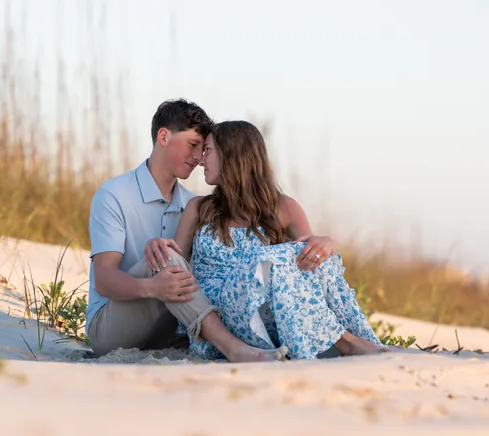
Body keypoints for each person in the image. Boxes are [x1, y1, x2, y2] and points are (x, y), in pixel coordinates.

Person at [145, 120, 386, 360]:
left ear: (232, 155)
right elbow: (176, 259)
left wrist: (325, 243)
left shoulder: (285, 207)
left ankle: (353, 339)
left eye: (208, 150)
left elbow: (306, 271)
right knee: (264, 259)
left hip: (265, 319)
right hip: (217, 319)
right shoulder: (199, 208)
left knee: (312, 255)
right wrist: (159, 246)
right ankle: (347, 343)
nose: (201, 160)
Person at [85, 100, 288, 362]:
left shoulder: (194, 205)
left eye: (204, 149)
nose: (198, 157)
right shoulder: (114, 195)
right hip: (112, 326)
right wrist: (152, 288)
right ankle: (232, 348)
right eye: (192, 145)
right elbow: (104, 280)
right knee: (166, 258)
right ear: (164, 136)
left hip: (172, 328)